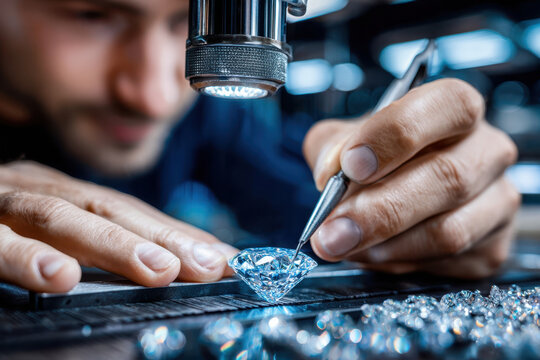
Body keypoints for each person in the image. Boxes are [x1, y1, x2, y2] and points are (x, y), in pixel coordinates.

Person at [0, 0, 520, 293]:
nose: (154, 96)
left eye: (185, 21)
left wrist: (435, 198)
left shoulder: (208, 116)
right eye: (92, 14)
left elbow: (315, 207)